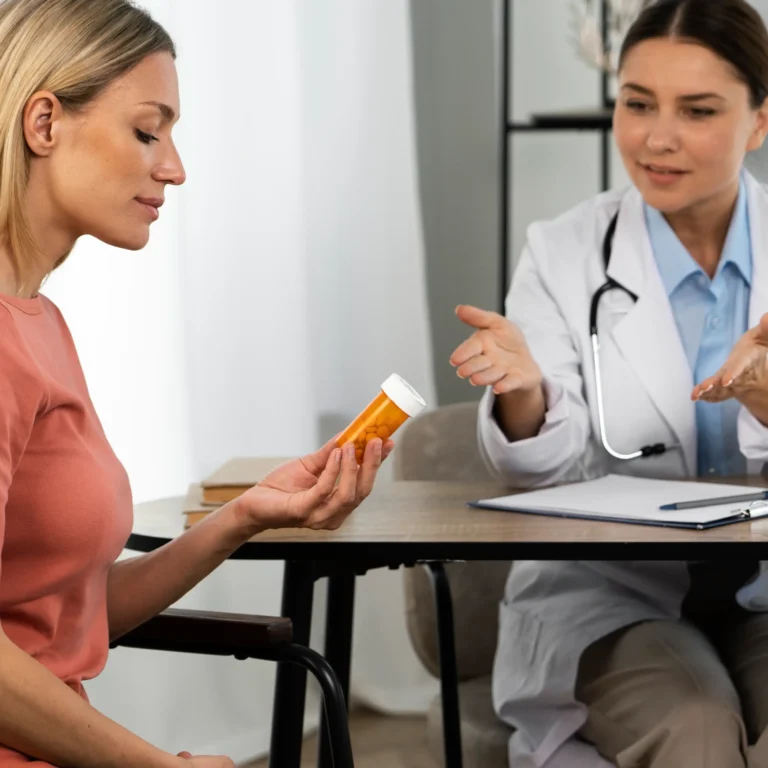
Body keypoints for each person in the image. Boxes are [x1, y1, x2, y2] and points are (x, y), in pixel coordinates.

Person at [0, 0, 395, 766]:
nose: (174, 168)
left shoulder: (39, 321)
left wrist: (241, 518)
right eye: (148, 132)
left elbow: (60, 621)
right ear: (43, 123)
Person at [451, 0, 768, 766]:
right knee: (694, 723)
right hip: (610, 592)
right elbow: (546, 473)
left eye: (698, 111)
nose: (657, 138)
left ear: (759, 122)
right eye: (637, 104)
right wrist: (524, 393)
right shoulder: (562, 253)